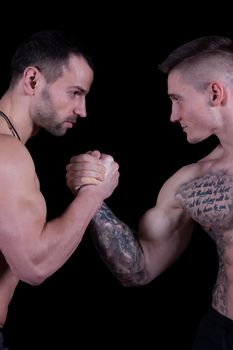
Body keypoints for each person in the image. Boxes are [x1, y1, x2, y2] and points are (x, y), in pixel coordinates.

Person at [66, 35, 233, 349]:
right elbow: (138, 269)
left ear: (214, 92)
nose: (172, 116)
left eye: (177, 99)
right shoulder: (191, 182)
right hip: (222, 334)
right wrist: (91, 195)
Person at [0, 30, 119, 349]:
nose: (82, 110)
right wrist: (93, 194)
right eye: (75, 93)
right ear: (33, 80)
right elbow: (34, 266)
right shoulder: (7, 154)